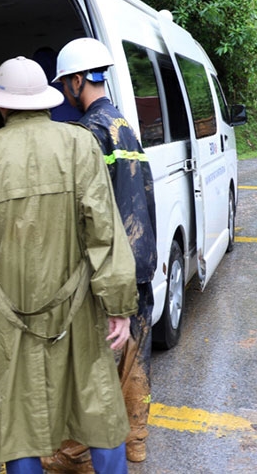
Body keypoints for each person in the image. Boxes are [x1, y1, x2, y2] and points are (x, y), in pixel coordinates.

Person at [0, 56, 138, 474]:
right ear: (46, 100)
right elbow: (105, 232)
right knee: (96, 400)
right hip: (78, 305)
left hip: (11, 313)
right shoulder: (80, 143)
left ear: (1, 106)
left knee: (15, 413)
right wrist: (119, 304)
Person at [46, 37, 158, 470]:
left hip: (109, 267)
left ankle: (74, 452)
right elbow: (142, 194)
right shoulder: (124, 125)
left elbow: (84, 211)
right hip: (141, 261)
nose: (63, 94)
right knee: (135, 354)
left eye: (64, 84)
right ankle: (136, 441)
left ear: (77, 80)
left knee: (92, 365)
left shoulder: (87, 133)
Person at [32, 47, 82, 122]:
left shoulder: (40, 60)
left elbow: (35, 83)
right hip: (77, 114)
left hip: (56, 115)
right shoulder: (62, 62)